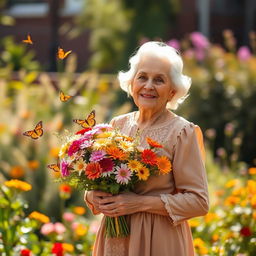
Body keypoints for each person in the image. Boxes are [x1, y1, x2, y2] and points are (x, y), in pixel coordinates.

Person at [85, 41, 209, 256]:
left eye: (159, 80)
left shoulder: (182, 132)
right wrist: (92, 195)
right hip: (114, 239)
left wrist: (140, 203)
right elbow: (96, 181)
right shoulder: (116, 125)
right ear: (132, 83)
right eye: (142, 77)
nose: (148, 86)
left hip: (160, 240)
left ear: (172, 91)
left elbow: (199, 202)